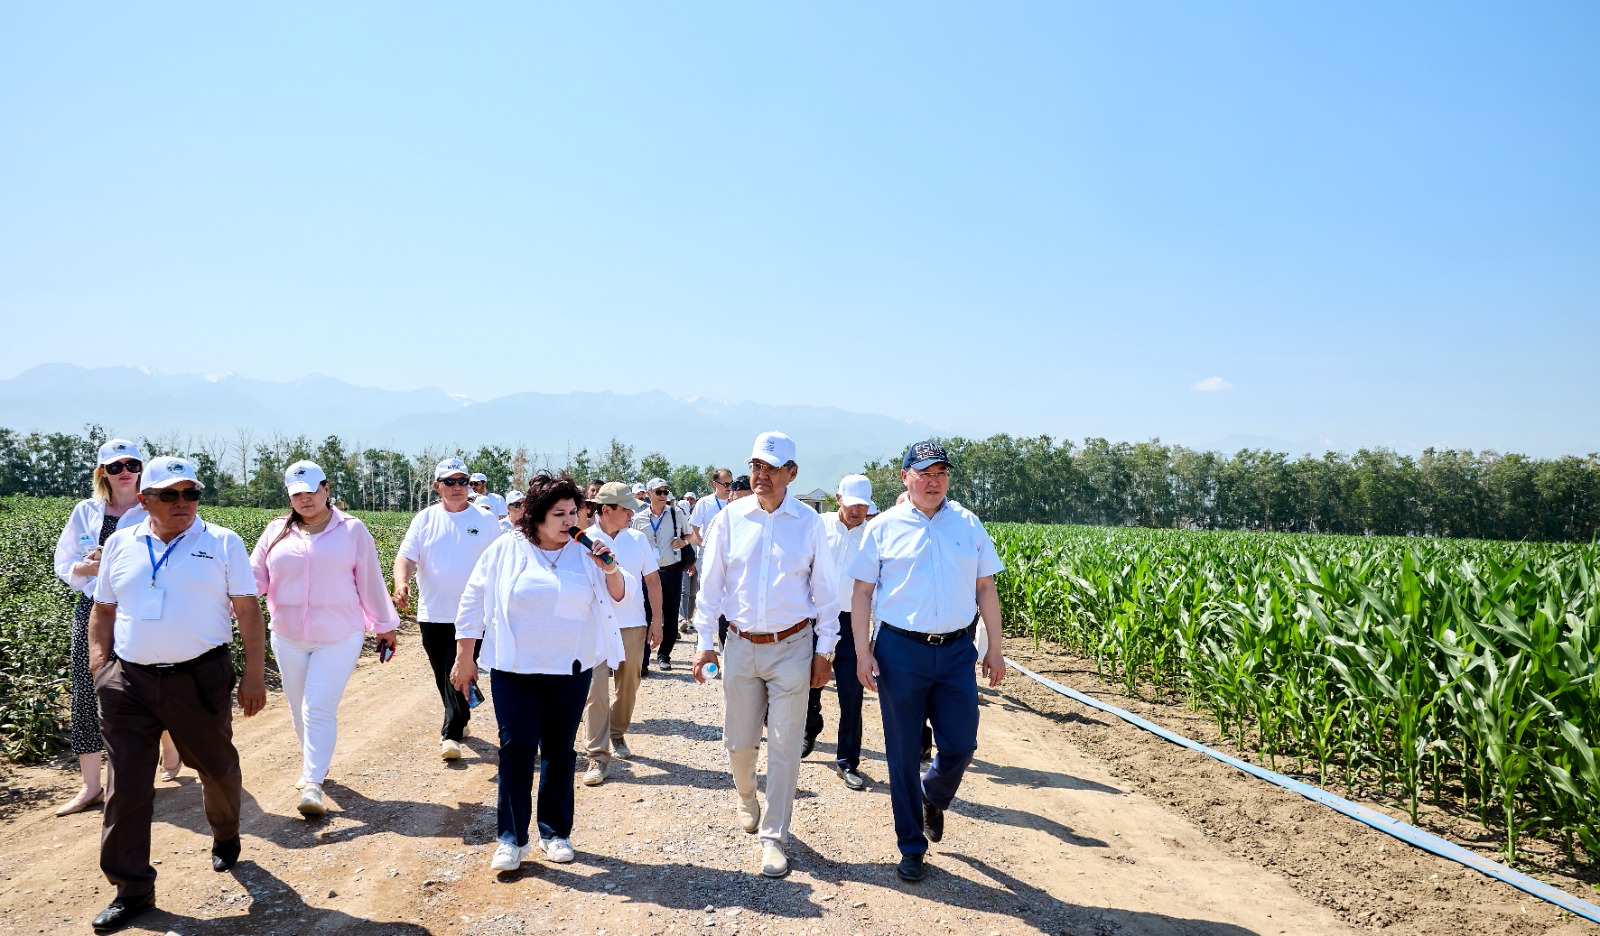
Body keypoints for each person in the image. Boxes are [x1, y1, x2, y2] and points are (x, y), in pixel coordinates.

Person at [85, 456, 266, 933]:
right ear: (145, 500)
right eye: (170, 494)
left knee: (217, 769)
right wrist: (101, 668)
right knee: (126, 786)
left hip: (199, 677)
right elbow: (103, 609)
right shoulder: (120, 543)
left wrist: (254, 674)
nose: (183, 502)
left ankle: (225, 832)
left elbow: (248, 610)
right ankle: (131, 889)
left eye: (191, 494)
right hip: (129, 683)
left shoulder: (222, 542)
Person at [451, 473, 632, 871]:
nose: (570, 521)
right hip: (514, 668)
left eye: (574, 512)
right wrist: (465, 655)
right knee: (516, 749)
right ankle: (511, 839)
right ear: (536, 517)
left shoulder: (587, 551)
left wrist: (610, 568)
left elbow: (620, 596)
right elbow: (473, 598)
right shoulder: (506, 548)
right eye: (559, 514)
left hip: (570, 668)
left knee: (558, 752)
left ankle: (555, 833)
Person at [848, 441, 1007, 883]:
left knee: (961, 745)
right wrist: (862, 652)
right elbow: (861, 593)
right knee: (902, 752)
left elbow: (986, 588)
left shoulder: (967, 523)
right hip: (901, 650)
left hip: (956, 650)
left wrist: (994, 647)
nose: (934, 481)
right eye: (925, 473)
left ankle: (932, 795)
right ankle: (911, 845)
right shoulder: (883, 527)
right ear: (905, 477)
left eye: (941, 473)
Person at [691, 432, 840, 879]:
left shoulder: (809, 524)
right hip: (739, 645)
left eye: (771, 468)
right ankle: (746, 795)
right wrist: (704, 642)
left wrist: (825, 650)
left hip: (793, 647)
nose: (761, 475)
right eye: (756, 466)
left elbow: (825, 594)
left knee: (784, 746)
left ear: (792, 473)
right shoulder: (730, 519)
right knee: (739, 743)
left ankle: (774, 837)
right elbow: (710, 587)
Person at [250, 460, 400, 817]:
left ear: (326, 489)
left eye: (311, 491)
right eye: (297, 494)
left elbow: (370, 579)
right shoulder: (276, 532)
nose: (305, 499)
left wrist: (384, 624)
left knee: (317, 706)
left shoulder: (351, 530)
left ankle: (313, 783)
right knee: (298, 707)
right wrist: (224, 606)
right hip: (287, 635)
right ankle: (313, 764)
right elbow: (253, 578)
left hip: (339, 635)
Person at [52, 439, 171, 817]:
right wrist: (83, 568)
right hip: (93, 608)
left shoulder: (152, 506)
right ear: (102, 472)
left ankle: (166, 744)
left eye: (132, 465)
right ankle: (91, 787)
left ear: (141, 469)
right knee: (86, 689)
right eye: (116, 466)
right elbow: (64, 560)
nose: (125, 473)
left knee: (147, 684)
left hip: (139, 608)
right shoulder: (85, 511)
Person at [394, 458, 500, 760]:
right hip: (433, 612)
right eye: (450, 482)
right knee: (444, 673)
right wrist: (401, 583)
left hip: (473, 615)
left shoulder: (485, 520)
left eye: (462, 481)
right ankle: (462, 714)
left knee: (460, 667)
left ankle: (450, 733)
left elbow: (501, 561)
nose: (457, 487)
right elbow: (406, 557)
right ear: (437, 486)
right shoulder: (425, 519)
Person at [580, 482, 664, 784]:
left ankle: (616, 732)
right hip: (595, 627)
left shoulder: (637, 538)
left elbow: (652, 580)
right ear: (606, 510)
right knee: (596, 690)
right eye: (626, 509)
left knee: (628, 686)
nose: (631, 514)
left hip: (632, 624)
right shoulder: (583, 540)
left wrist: (657, 621)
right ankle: (597, 755)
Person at [804, 474, 874, 791]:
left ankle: (847, 761)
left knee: (851, 695)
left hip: (852, 622)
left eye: (863, 506)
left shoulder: (873, 536)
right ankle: (810, 726)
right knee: (809, 683)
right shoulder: (818, 526)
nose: (857, 511)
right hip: (814, 617)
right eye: (851, 504)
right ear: (838, 499)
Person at [631, 477, 692, 671]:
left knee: (671, 616)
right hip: (648, 575)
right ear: (649, 494)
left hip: (672, 571)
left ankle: (664, 655)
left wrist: (683, 542)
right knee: (645, 616)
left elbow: (690, 534)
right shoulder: (638, 519)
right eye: (659, 492)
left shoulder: (676, 513)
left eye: (666, 491)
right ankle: (643, 660)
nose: (663, 495)